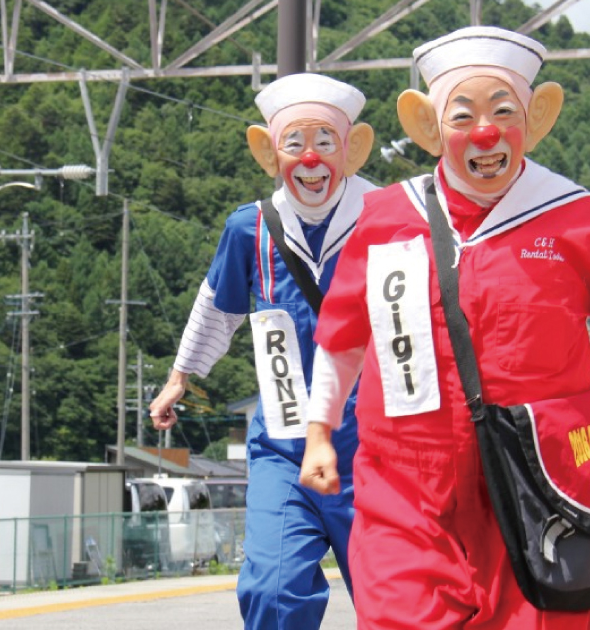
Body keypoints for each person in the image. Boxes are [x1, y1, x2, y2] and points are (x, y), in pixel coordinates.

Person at [298, 26, 590, 630]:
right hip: (405, 482)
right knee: (397, 616)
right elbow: (343, 337)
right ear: (429, 125)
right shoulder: (386, 216)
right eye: (463, 115)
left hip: (536, 480)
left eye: (504, 112)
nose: (485, 133)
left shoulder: (573, 217)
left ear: (535, 119)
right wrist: (319, 431)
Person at [148, 72, 376, 630]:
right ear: (269, 152)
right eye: (294, 143)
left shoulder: (390, 217)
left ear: (352, 148)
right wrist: (180, 378)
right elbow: (218, 306)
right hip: (283, 443)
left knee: (394, 599)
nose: (310, 159)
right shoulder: (250, 228)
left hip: (376, 447)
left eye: (325, 142)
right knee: (272, 590)